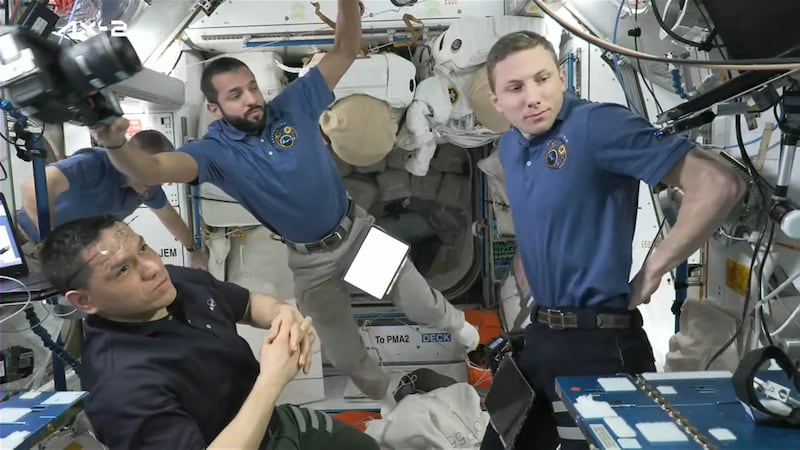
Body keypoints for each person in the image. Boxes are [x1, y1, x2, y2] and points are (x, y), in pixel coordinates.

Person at [89, 0, 479, 410]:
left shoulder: (292, 105)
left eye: (253, 88)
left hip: (356, 235)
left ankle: (464, 331)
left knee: (420, 302)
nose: (252, 99)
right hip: (311, 264)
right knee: (345, 354)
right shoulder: (214, 154)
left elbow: (346, 48)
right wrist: (115, 142)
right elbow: (150, 168)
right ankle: (388, 403)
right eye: (236, 95)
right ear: (215, 109)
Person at [479, 31, 745, 449]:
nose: (533, 96)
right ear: (497, 101)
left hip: (600, 344)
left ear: (561, 80)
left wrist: (653, 270)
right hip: (541, 338)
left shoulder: (598, 125)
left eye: (542, 78)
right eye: (515, 87)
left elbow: (718, 184)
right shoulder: (511, 146)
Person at [38, 215, 379, 450]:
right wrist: (272, 380)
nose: (153, 268)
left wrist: (282, 314)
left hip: (278, 426)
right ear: (84, 300)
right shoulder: (122, 388)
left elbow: (247, 304)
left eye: (143, 248)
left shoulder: (172, 282)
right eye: (123, 269)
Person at [15, 130, 208, 271]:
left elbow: (168, 216)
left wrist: (193, 249)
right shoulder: (94, 163)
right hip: (24, 243)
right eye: (151, 172)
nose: (160, 182)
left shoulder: (147, 186)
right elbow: (31, 188)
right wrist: (52, 241)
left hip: (61, 261)